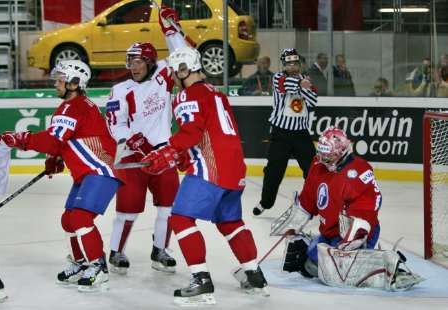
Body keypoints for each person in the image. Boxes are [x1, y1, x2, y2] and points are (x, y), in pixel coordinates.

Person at [141, 46, 269, 306]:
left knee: (180, 218)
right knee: (230, 222)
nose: (173, 79)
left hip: (212, 167)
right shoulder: (216, 93)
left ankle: (201, 280)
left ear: (183, 69)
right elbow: (210, 130)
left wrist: (168, 150)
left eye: (175, 73)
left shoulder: (187, 96)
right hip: (235, 167)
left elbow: (192, 131)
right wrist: (183, 154)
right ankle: (254, 273)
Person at [0, 60, 120, 292]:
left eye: (60, 79)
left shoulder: (72, 108)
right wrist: (57, 157)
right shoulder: (77, 105)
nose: (56, 83)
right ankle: (81, 263)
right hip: (88, 173)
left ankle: (98, 267)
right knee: (69, 220)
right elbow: (69, 141)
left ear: (74, 83)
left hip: (99, 172)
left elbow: (54, 140)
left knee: (80, 220)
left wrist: (20, 139)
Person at [278, 127, 423, 290]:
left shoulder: (359, 170)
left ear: (342, 151)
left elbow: (370, 206)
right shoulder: (318, 165)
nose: (324, 159)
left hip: (358, 232)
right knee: (311, 264)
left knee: (340, 271)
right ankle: (338, 260)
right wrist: (293, 223)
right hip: (330, 233)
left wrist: (351, 240)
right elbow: (308, 199)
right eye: (322, 153)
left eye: (329, 155)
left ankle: (392, 270)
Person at [105, 6, 191, 274]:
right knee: (128, 210)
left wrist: (170, 28)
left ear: (151, 61)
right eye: (130, 61)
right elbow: (114, 124)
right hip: (132, 158)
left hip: (163, 153)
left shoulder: (164, 76)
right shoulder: (120, 90)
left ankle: (160, 250)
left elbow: (183, 55)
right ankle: (116, 251)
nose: (133, 66)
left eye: (138, 61)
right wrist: (128, 140)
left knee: (168, 207)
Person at [253, 48, 317, 216]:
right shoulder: (278, 78)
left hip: (301, 134)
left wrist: (304, 87)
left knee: (313, 169)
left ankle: (316, 202)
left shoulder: (305, 80)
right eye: (289, 63)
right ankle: (265, 202)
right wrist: (301, 86)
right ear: (284, 65)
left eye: (295, 63)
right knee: (274, 170)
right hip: (281, 133)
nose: (293, 66)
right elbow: (286, 87)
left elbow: (312, 100)